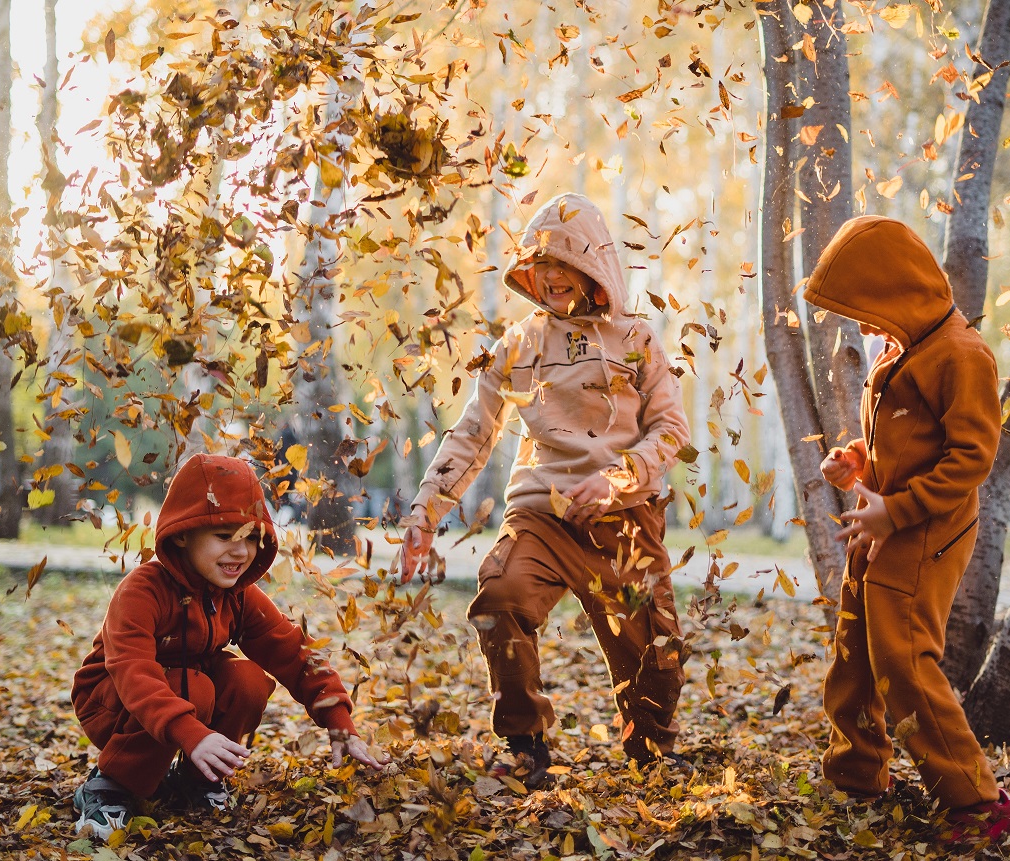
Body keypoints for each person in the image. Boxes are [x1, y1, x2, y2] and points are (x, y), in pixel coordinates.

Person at [399, 192, 691, 788]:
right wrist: (425, 512)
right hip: (541, 518)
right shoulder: (517, 346)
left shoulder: (636, 339)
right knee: (500, 598)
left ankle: (652, 751)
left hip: (624, 524)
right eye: (542, 263)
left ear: (594, 269)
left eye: (566, 263)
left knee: (657, 655)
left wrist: (614, 480)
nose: (553, 276)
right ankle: (525, 744)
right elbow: (474, 431)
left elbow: (672, 431)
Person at [804, 215, 1010, 846]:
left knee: (902, 658)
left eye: (869, 311)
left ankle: (978, 802)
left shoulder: (962, 355)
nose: (866, 328)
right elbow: (903, 442)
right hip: (882, 522)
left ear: (900, 291)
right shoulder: (901, 353)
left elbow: (969, 460)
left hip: (926, 534)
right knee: (854, 647)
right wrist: (857, 462)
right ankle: (858, 773)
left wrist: (895, 512)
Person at [71, 453, 383, 838]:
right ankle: (110, 783)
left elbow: (293, 653)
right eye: (225, 536)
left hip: (184, 700)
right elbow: (133, 672)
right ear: (183, 533)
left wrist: (340, 723)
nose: (241, 551)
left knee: (247, 677)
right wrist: (189, 731)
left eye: (252, 538)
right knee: (195, 686)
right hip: (112, 700)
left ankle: (198, 777)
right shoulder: (142, 591)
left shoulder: (237, 594)